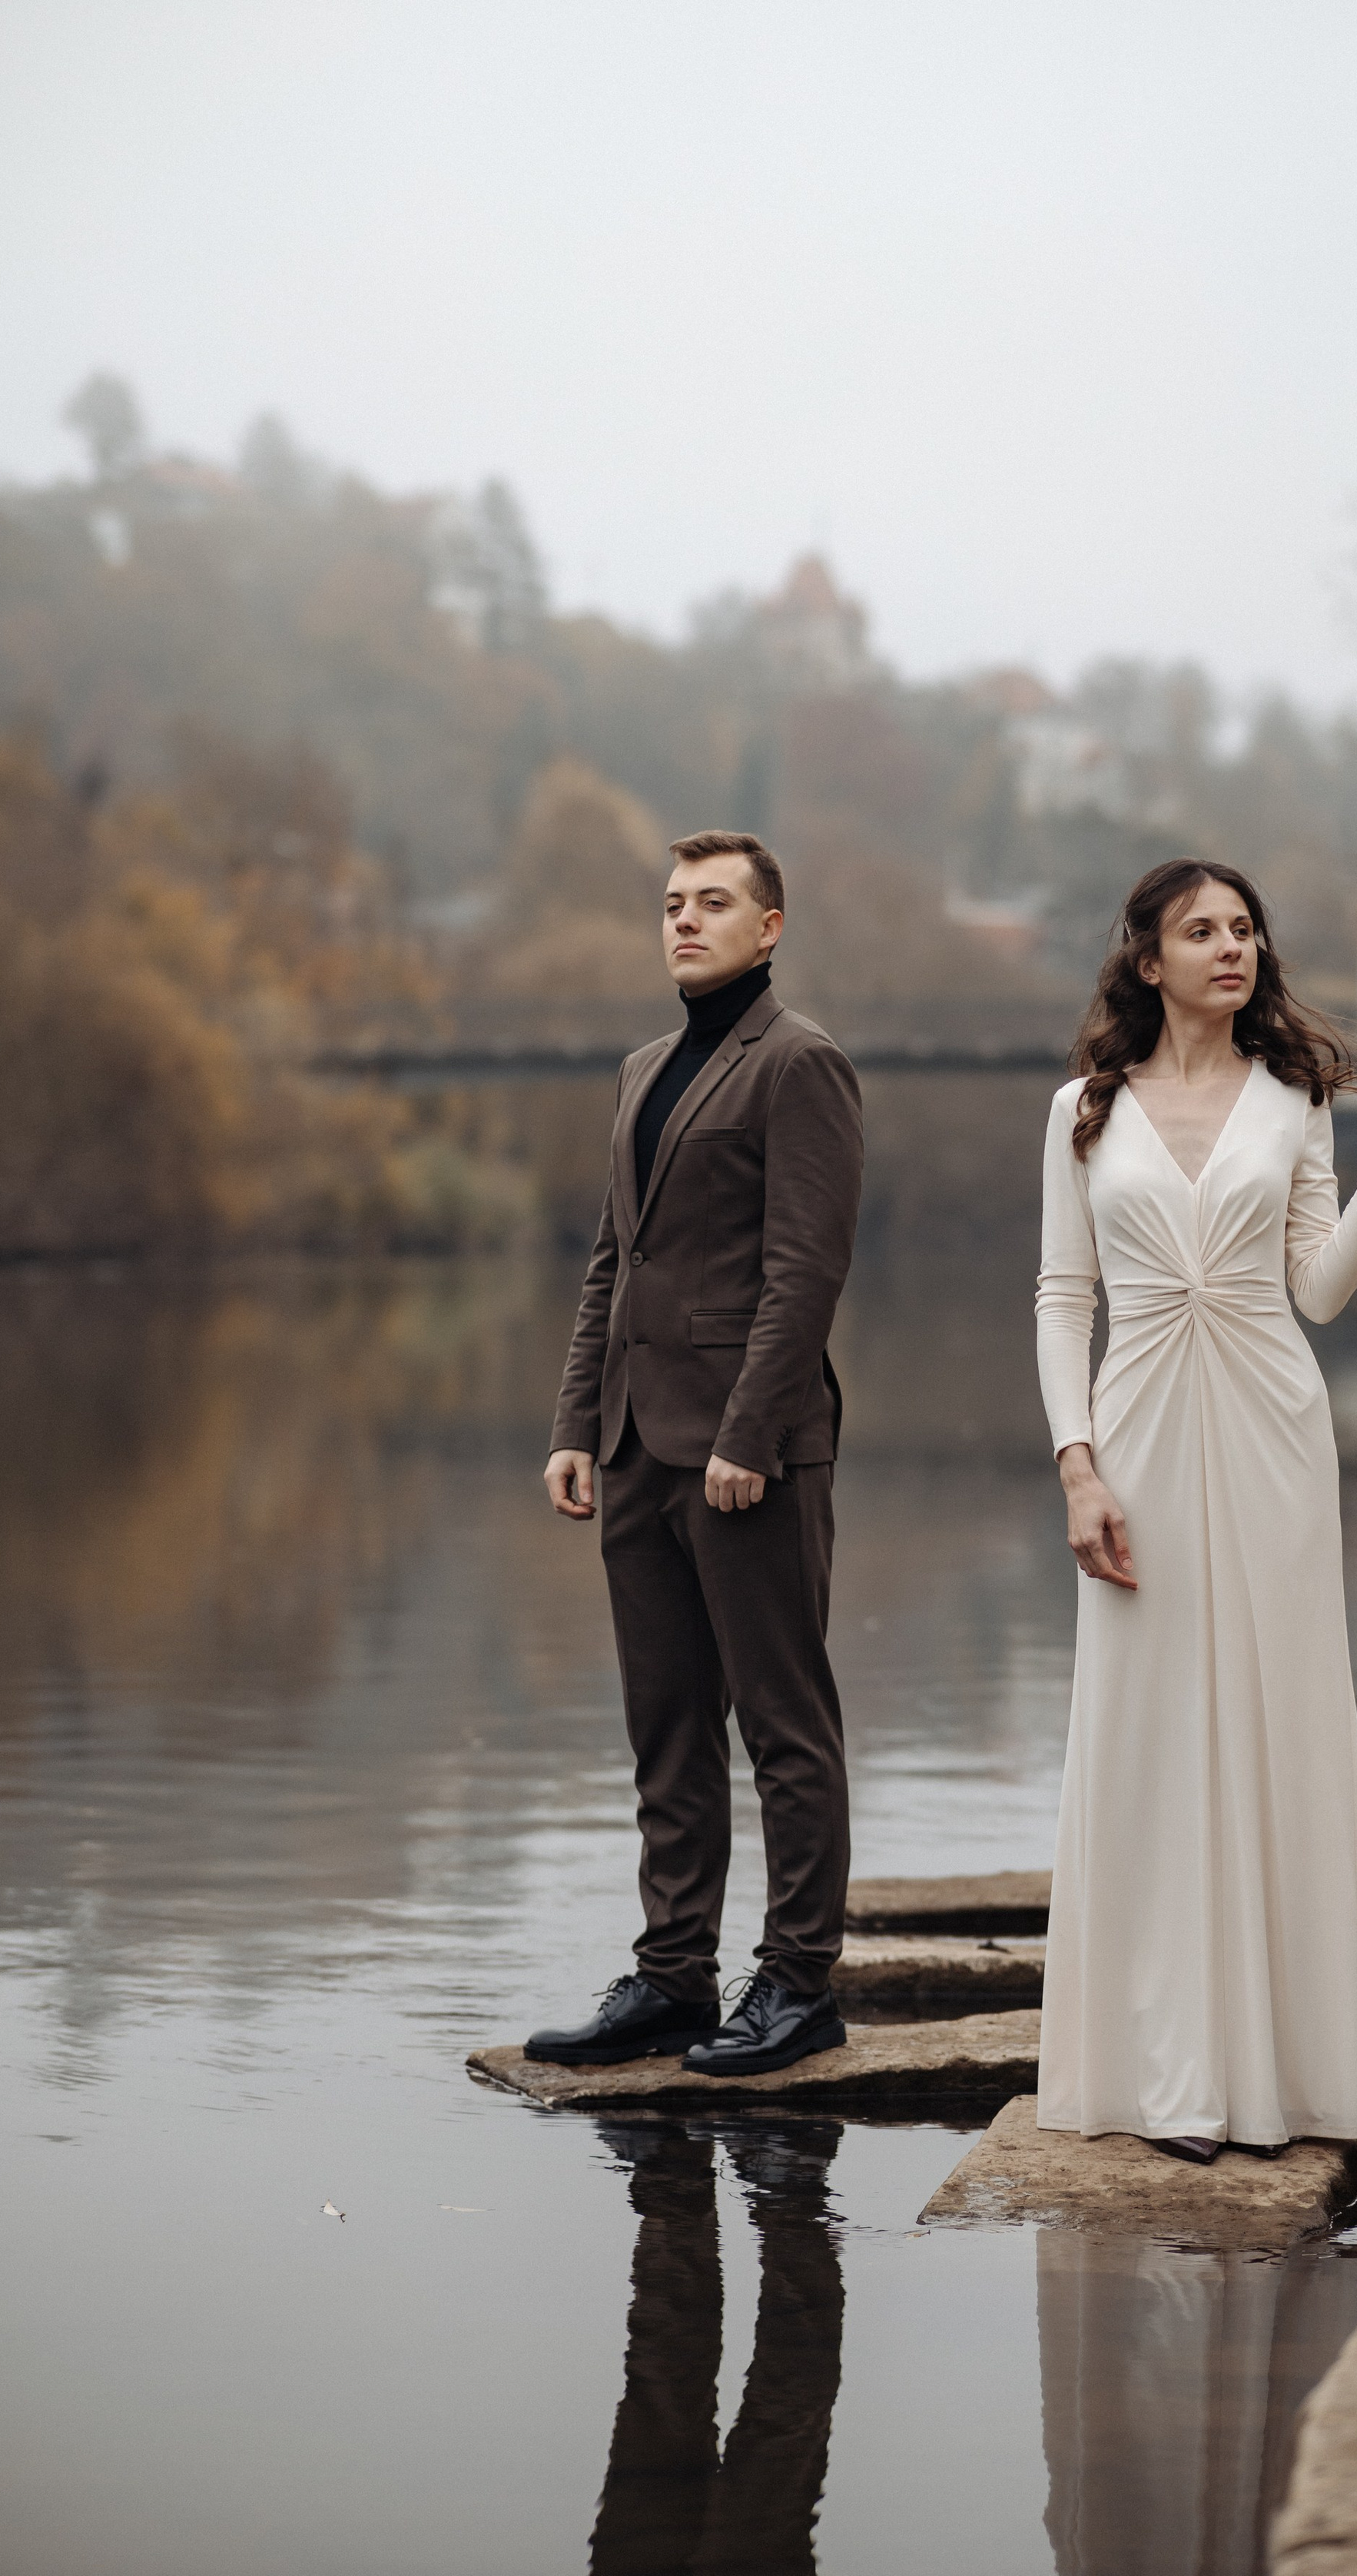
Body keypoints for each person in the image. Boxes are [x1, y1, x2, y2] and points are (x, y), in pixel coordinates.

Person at [1034, 858, 1357, 2159]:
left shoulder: (1296, 1100)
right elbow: (1063, 1298)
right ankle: (1167, 2078)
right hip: (1141, 1437)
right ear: (1146, 961)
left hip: (1275, 1432)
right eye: (1201, 931)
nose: (1234, 946)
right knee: (1149, 1732)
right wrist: (1079, 1466)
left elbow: (1318, 1293)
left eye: (1246, 927)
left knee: (1278, 1721)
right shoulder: (1082, 1111)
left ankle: (1283, 2074)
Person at [529, 831, 864, 2080]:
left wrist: (749, 1435)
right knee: (667, 1727)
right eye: (673, 904)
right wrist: (576, 1425)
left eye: (713, 904)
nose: (685, 922)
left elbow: (805, 1272)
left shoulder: (802, 1065)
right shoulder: (644, 1069)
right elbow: (614, 1262)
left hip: (749, 1456)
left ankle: (796, 1987)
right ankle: (675, 1979)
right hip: (634, 1447)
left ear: (768, 927)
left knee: (784, 1726)